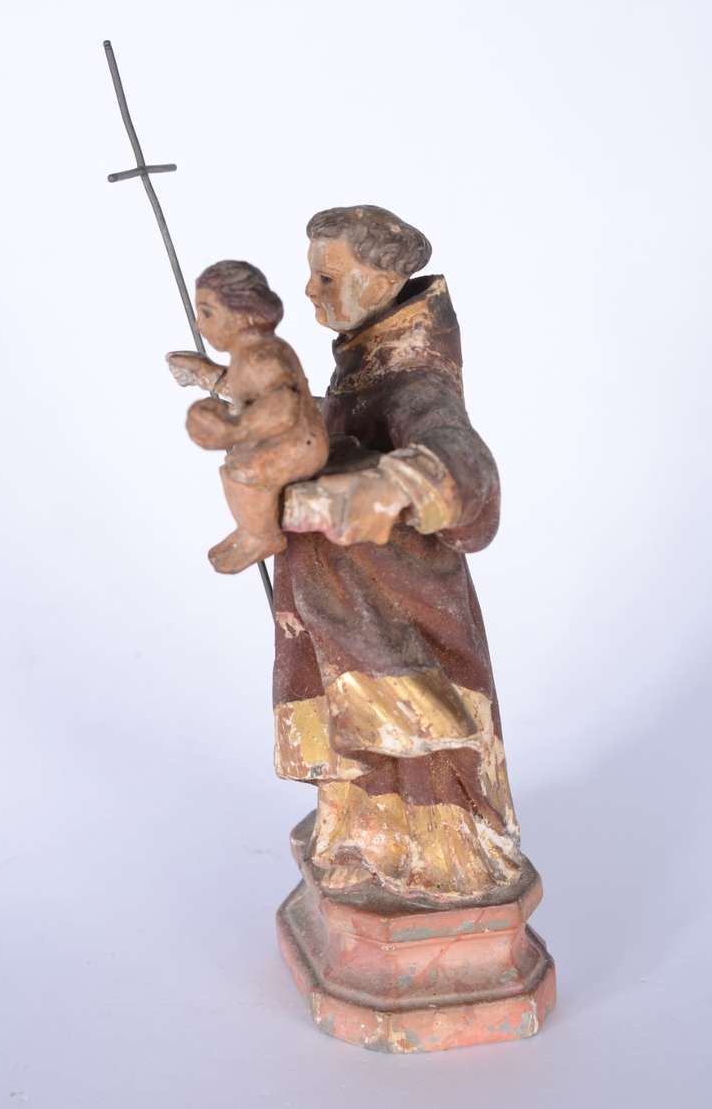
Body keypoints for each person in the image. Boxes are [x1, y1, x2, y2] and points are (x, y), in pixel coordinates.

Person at [272, 205, 524, 902]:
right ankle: (364, 842)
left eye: (327, 277)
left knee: (415, 736)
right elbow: (330, 430)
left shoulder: (414, 378)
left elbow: (464, 465)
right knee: (360, 729)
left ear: (383, 283)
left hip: (400, 606)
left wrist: (390, 485)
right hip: (347, 600)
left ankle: (442, 863)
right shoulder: (366, 359)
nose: (309, 291)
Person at [166, 261, 328, 574]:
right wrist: (205, 373)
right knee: (235, 467)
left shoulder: (262, 356)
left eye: (207, 313)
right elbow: (248, 392)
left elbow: (283, 405)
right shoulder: (248, 354)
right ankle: (251, 528)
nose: (199, 325)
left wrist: (236, 428)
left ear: (243, 315)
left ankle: (262, 536)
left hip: (299, 445)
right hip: (286, 439)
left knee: (243, 472)